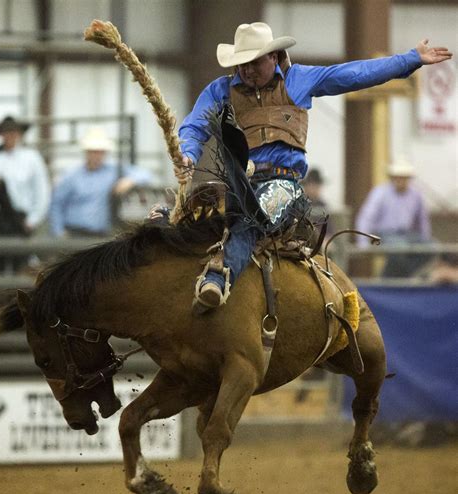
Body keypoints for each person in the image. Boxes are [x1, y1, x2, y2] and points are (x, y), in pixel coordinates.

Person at [175, 22, 452, 309]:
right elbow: (194, 127)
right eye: (242, 64)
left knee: (252, 217)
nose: (247, 70)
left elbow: (355, 74)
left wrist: (411, 59)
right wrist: (188, 155)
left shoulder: (299, 80)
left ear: (274, 57)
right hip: (237, 184)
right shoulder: (220, 91)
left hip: (283, 185)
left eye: (254, 62)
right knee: (184, 214)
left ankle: (218, 278)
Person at [49, 127, 153, 237]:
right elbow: (56, 203)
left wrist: (130, 180)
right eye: (94, 151)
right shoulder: (71, 176)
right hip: (74, 233)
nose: (97, 155)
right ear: (87, 152)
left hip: (100, 234)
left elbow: (145, 174)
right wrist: (58, 232)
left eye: (100, 152)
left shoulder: (112, 171)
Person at [355, 158, 432, 277]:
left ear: (409, 178)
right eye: (398, 176)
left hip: (407, 235)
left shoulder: (416, 195)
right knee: (399, 248)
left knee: (431, 248)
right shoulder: (380, 193)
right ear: (392, 177)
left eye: (404, 177)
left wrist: (425, 238)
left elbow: (422, 221)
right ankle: (398, 278)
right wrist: (363, 242)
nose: (400, 180)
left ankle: (400, 277)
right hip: (384, 234)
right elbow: (366, 218)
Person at [0, 116, 51, 236]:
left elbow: (42, 190)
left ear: (19, 134)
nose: (9, 136)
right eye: (5, 132)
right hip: (1, 220)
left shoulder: (32, 158)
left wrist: (33, 219)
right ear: (1, 135)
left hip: (25, 218)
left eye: (12, 132)